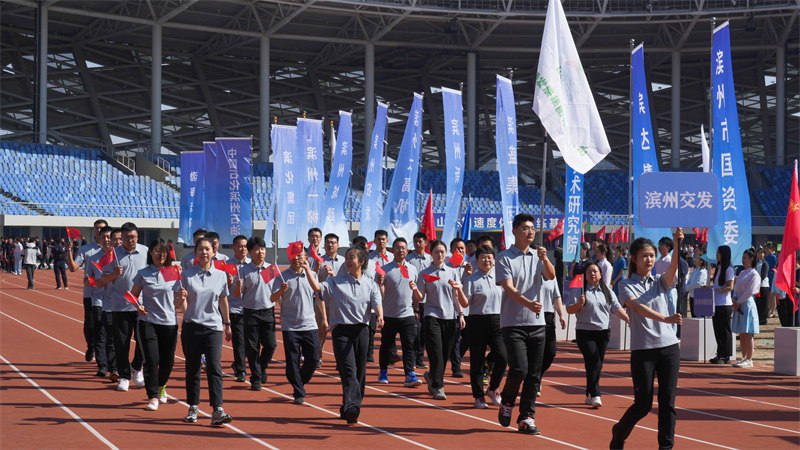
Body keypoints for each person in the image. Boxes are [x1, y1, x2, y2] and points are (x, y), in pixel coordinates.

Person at [610, 230, 684, 450]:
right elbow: (637, 307)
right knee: (643, 405)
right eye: (644, 256)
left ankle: (665, 447)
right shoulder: (625, 285)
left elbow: (673, 268)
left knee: (668, 403)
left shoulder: (660, 282)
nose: (649, 260)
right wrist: (665, 318)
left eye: (652, 255)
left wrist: (677, 243)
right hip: (643, 350)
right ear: (634, 258)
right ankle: (619, 433)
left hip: (669, 348)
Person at [495, 213, 556, 435]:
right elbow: (509, 288)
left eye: (532, 228)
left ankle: (526, 417)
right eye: (525, 228)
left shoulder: (538, 255)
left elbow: (551, 276)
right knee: (519, 368)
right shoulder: (503, 257)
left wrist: (545, 259)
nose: (530, 232)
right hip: (513, 323)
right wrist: (529, 304)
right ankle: (507, 401)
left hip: (537, 324)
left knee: (534, 374)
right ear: (514, 231)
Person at [315, 247, 383, 424]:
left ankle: (348, 406)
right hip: (341, 331)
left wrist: (380, 316)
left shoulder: (371, 284)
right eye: (346, 258)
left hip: (362, 330)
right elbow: (318, 288)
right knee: (348, 369)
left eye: (351, 257)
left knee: (360, 371)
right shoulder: (335, 281)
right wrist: (309, 270)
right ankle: (353, 407)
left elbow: (376, 302)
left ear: (361, 261)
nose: (347, 261)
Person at [174, 237, 233, 425]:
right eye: (200, 249)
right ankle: (193, 407)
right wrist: (180, 298)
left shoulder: (221, 275)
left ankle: (217, 409)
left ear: (214, 252)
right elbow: (177, 302)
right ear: (196, 252)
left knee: (214, 367)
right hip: (192, 326)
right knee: (193, 368)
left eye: (207, 249)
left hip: (213, 327)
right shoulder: (186, 275)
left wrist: (227, 323)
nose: (204, 252)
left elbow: (223, 300)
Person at [565, 262, 630, 408]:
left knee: (595, 365)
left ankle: (589, 393)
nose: (592, 274)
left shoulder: (607, 291)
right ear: (585, 275)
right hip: (585, 332)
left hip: (603, 332)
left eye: (595, 271)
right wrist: (579, 304)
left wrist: (627, 318)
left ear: (601, 274)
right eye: (589, 272)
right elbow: (569, 309)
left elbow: (616, 308)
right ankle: (596, 394)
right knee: (595, 362)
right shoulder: (579, 290)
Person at [410, 239, 465, 400]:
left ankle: (431, 375)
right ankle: (438, 386)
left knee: (445, 353)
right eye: (436, 252)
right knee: (436, 352)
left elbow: (456, 296)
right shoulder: (424, 273)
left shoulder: (452, 272)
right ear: (431, 254)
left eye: (442, 252)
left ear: (446, 253)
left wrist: (461, 314)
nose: (439, 255)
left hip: (450, 317)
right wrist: (415, 290)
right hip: (432, 316)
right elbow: (421, 297)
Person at [130, 239, 181, 411]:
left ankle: (161, 386)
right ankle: (152, 396)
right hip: (148, 322)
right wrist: (138, 306)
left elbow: (178, 300)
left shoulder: (173, 272)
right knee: (151, 360)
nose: (161, 254)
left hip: (169, 322)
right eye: (157, 250)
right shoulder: (143, 273)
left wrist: (181, 299)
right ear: (150, 252)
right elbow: (132, 295)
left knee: (168, 361)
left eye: (164, 251)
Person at [455, 245, 507, 409]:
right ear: (477, 260)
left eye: (489, 257)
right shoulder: (471, 280)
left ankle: (493, 388)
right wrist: (459, 290)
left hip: (498, 321)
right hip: (477, 321)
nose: (487, 260)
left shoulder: (501, 278)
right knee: (477, 361)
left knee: (503, 356)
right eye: (483, 257)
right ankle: (478, 396)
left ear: (494, 260)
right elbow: (465, 303)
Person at [271, 248, 325, 404]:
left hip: (309, 324)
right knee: (292, 360)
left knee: (313, 358)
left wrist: (324, 318)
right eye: (293, 256)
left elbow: (319, 297)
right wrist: (280, 290)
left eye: (300, 256)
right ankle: (299, 392)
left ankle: (298, 381)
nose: (296, 259)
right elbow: (272, 298)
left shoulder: (312, 275)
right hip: (290, 326)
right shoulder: (282, 277)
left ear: (306, 258)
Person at [377, 237, 422, 387]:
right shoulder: (384, 269)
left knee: (409, 345)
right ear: (392, 250)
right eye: (397, 247)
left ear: (407, 251)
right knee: (386, 345)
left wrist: (416, 309)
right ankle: (383, 371)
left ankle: (409, 374)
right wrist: (379, 284)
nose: (400, 250)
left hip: (407, 314)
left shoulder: (413, 269)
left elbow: (415, 291)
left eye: (403, 248)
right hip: (389, 314)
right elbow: (378, 290)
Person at [236, 236, 278, 391]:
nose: (260, 252)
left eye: (262, 249)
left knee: (271, 345)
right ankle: (255, 378)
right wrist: (236, 286)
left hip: (268, 311)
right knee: (252, 347)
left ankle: (261, 368)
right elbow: (237, 293)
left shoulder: (271, 269)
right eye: (256, 249)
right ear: (250, 252)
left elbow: (277, 291)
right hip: (251, 312)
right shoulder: (244, 270)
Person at [66, 219, 109, 363]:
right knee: (90, 326)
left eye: (101, 228)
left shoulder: (113, 249)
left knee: (105, 327)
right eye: (96, 228)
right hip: (91, 294)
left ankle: (103, 358)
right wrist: (69, 251)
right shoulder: (86, 249)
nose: (99, 230)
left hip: (109, 295)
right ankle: (91, 345)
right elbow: (73, 268)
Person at [83, 226, 118, 378]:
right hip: (98, 301)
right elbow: (86, 280)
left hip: (116, 302)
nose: (107, 240)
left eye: (109, 237)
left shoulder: (118, 257)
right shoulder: (94, 258)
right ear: (99, 238)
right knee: (100, 334)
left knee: (113, 337)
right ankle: (102, 365)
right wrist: (98, 281)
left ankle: (113, 366)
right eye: (104, 237)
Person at [312, 233, 344, 367]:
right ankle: (318, 356)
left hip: (339, 301)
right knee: (321, 330)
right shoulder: (318, 260)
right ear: (324, 245)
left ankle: (341, 359)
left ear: (338, 245)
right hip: (322, 300)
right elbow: (312, 280)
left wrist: (334, 275)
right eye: (328, 242)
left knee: (340, 331)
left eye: (333, 242)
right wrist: (317, 268)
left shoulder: (344, 261)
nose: (331, 245)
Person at [537, 276, 566, 398]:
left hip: (548, 315)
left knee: (550, 351)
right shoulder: (529, 271)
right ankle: (534, 380)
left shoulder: (551, 276)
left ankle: (538, 375)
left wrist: (561, 315)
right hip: (532, 313)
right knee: (535, 352)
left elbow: (557, 296)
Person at [731, 248, 761, 368]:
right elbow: (736, 288)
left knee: (748, 332)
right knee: (742, 333)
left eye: (745, 258)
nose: (743, 260)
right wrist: (734, 299)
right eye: (742, 258)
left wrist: (738, 301)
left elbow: (750, 291)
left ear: (752, 259)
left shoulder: (754, 274)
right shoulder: (742, 273)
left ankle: (749, 359)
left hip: (747, 304)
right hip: (738, 304)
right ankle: (743, 357)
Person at [227, 235, 251, 382]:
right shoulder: (226, 265)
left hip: (251, 308)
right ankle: (241, 370)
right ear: (233, 247)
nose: (243, 249)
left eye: (245, 246)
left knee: (251, 342)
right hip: (235, 308)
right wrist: (227, 283)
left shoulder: (252, 265)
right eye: (240, 246)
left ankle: (237, 363)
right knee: (239, 341)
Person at [407, 231, 432, 369]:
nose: (417, 244)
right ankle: (412, 357)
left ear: (425, 243)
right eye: (415, 241)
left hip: (428, 300)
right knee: (415, 330)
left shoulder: (430, 259)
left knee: (424, 331)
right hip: (413, 300)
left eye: (420, 241)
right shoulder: (409, 259)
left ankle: (419, 358)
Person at [710, 245, 735, 365]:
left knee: (725, 331)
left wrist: (718, 290)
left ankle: (726, 356)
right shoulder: (718, 267)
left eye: (718, 253)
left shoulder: (729, 269)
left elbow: (730, 287)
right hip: (716, 304)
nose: (716, 255)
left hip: (724, 304)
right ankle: (720, 354)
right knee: (718, 330)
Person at [754, 248, 770, 326]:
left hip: (763, 285)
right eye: (758, 253)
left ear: (764, 254)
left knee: (764, 303)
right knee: (758, 303)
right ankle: (759, 318)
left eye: (761, 253)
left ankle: (764, 319)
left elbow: (763, 275)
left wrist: (757, 282)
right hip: (757, 286)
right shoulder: (756, 263)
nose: (760, 254)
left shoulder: (765, 263)